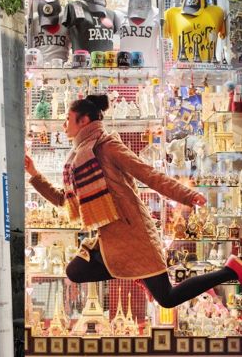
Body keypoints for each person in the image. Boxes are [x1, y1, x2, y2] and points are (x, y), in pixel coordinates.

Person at [24, 94, 242, 308]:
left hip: (134, 234)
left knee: (168, 298)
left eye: (68, 120)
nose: (64, 126)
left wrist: (187, 195)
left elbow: (148, 174)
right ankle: (134, 274)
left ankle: (231, 270)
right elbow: (64, 199)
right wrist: (34, 174)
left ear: (84, 121)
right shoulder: (77, 158)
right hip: (109, 237)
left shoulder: (107, 146)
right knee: (75, 271)